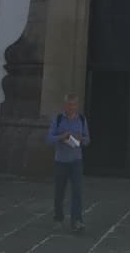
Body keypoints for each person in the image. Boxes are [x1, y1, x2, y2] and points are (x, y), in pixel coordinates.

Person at [47, 93, 90, 234]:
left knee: (77, 191)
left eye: (74, 104)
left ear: (77, 105)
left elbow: (87, 140)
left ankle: (77, 220)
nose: (71, 107)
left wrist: (81, 138)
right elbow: (49, 139)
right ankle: (58, 219)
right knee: (59, 192)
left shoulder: (82, 120)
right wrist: (62, 136)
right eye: (69, 104)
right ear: (65, 105)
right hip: (61, 161)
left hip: (76, 161)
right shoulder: (58, 119)